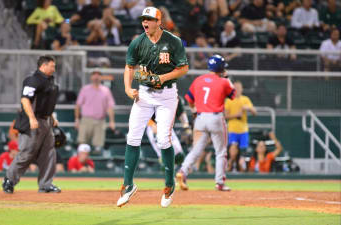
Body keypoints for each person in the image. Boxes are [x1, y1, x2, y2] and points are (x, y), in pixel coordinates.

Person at [116, 7, 189, 208]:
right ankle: (128, 185)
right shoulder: (137, 42)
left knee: (163, 139)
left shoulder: (172, 41)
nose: (145, 23)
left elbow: (184, 68)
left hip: (167, 95)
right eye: (143, 20)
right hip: (145, 93)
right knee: (132, 137)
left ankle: (169, 185)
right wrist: (128, 89)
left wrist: (162, 78)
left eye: (149, 19)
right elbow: (129, 67)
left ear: (159, 21)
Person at [176, 54, 235, 192]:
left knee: (196, 149)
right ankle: (219, 182)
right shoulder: (223, 81)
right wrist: (226, 78)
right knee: (220, 152)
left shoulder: (199, 80)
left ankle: (183, 171)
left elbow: (189, 99)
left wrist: (194, 111)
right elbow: (233, 95)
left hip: (200, 117)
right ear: (221, 68)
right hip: (216, 118)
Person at [2, 55, 61, 194]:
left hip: (46, 121)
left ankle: (46, 184)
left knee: (49, 153)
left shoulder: (49, 80)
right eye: (52, 66)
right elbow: (25, 100)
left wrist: (51, 116)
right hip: (33, 121)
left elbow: (45, 102)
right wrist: (32, 118)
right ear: (44, 65)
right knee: (27, 153)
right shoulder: (33, 80)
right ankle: (9, 180)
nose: (54, 68)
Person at [74, 70, 116, 155]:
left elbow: (110, 107)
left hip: (100, 121)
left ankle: (95, 165)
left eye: (98, 75)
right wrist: (77, 120)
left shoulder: (106, 90)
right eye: (94, 75)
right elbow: (78, 106)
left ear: (101, 77)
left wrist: (112, 121)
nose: (96, 77)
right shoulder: (85, 89)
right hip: (86, 120)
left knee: (98, 147)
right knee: (82, 144)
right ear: (91, 77)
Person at [224, 81, 256, 172]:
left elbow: (254, 112)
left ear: (242, 89)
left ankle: (241, 168)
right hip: (233, 129)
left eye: (239, 88)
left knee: (243, 151)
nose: (237, 90)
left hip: (243, 130)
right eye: (235, 88)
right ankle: (231, 164)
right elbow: (225, 116)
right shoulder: (229, 100)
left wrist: (248, 108)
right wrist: (236, 115)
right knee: (233, 148)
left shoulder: (245, 99)